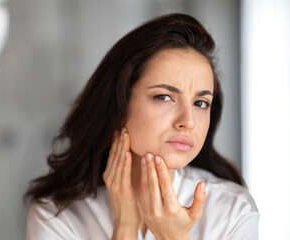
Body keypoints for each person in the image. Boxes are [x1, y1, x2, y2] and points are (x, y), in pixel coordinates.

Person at [25, 13, 259, 240]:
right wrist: (125, 228)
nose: (188, 121)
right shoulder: (57, 216)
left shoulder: (232, 210)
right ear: (119, 102)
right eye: (164, 97)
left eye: (200, 103)